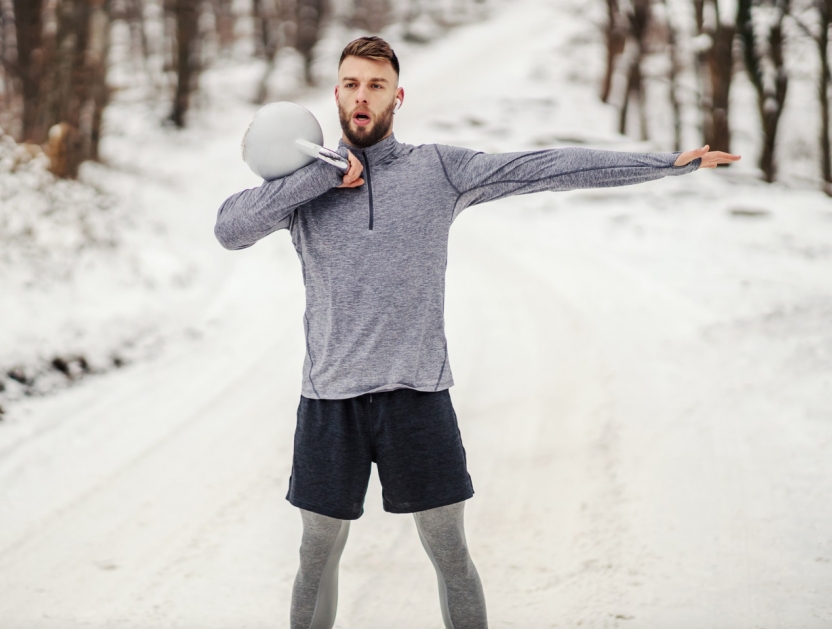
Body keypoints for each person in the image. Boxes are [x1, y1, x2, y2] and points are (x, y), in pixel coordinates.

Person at [214, 36, 740, 629]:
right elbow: (230, 228)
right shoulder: (303, 184)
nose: (363, 96)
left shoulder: (436, 170)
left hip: (418, 395)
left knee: (450, 553)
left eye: (376, 85)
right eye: (352, 83)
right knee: (316, 554)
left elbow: (537, 169)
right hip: (329, 399)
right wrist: (319, 179)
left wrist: (665, 164)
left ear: (397, 96)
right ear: (336, 93)